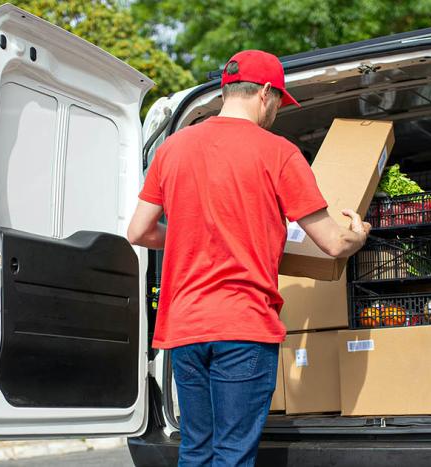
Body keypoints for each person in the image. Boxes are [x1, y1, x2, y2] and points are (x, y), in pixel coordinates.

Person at [127, 50, 370, 466]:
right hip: (243, 325)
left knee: (196, 450)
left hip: (184, 326)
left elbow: (139, 231)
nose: (276, 110)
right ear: (264, 93)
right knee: (233, 455)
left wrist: (192, 232)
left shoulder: (172, 148)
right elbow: (332, 243)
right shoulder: (278, 153)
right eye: (278, 101)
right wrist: (359, 236)